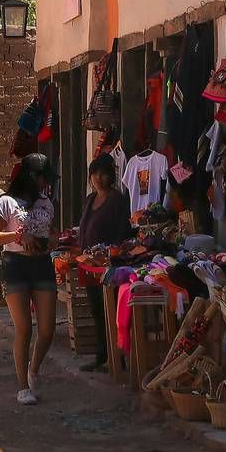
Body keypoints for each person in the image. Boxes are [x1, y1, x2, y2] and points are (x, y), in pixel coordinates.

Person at [0, 153, 58, 404]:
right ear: (31, 177)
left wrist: (52, 239)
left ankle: (34, 368)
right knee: (24, 328)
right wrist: (17, 237)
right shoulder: (6, 203)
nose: (45, 184)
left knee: (48, 329)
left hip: (41, 264)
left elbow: (51, 231)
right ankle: (22, 386)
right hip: (15, 265)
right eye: (42, 178)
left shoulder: (47, 203)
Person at [75, 152, 132, 371]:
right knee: (97, 310)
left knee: (112, 311)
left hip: (110, 268)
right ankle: (102, 355)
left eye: (102, 174)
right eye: (94, 174)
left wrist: (109, 256)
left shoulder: (116, 199)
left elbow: (122, 232)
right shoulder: (90, 199)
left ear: (111, 175)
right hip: (90, 266)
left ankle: (118, 359)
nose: (98, 178)